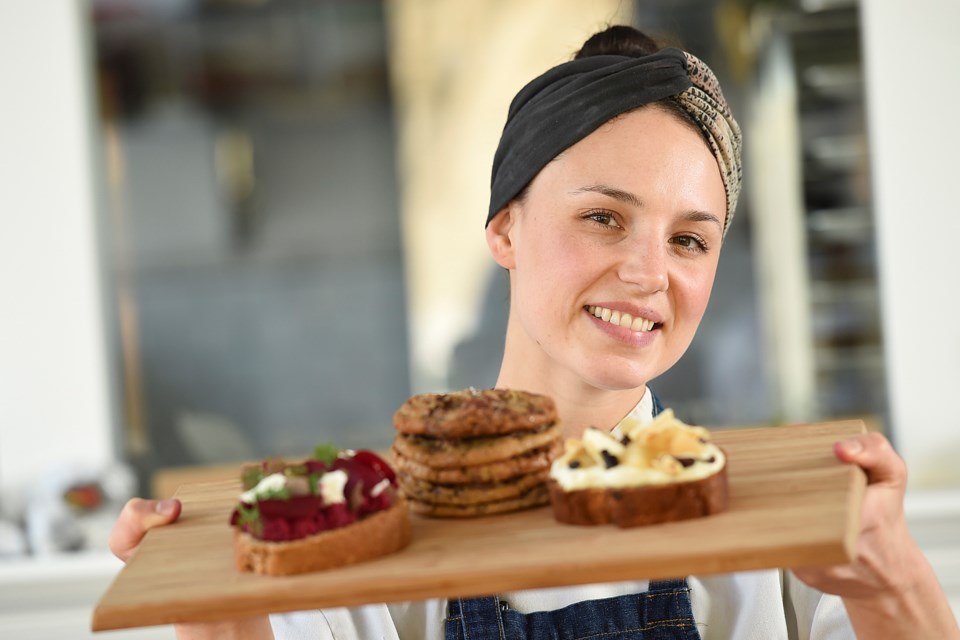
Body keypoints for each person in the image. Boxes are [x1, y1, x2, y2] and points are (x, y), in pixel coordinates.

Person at [109, 25, 960, 640]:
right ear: (504, 229)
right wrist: (216, 619)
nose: (648, 273)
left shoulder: (782, 532)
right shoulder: (360, 538)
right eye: (602, 217)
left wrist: (895, 585)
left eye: (690, 239)